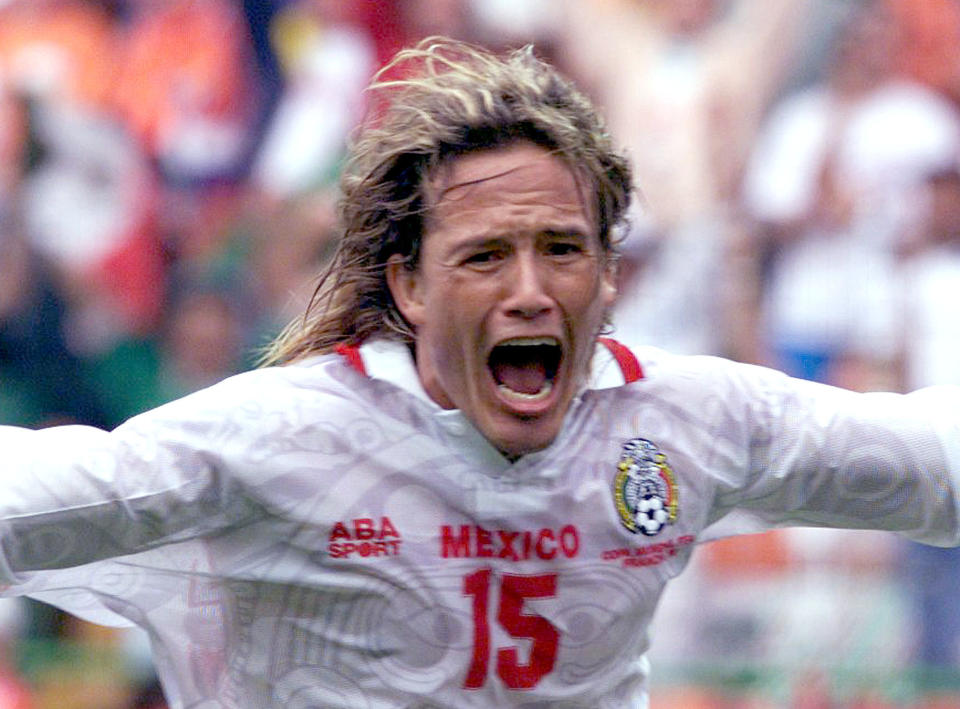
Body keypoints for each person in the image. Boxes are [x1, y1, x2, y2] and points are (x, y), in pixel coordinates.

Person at [3, 37, 960, 709]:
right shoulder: (279, 438)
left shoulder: (689, 420)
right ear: (409, 285)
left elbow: (937, 461)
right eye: (486, 256)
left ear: (612, 274)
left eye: (564, 248)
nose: (534, 290)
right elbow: (46, 494)